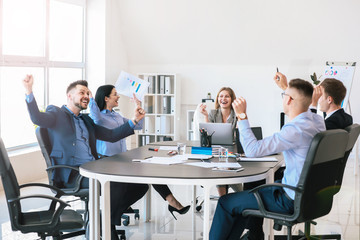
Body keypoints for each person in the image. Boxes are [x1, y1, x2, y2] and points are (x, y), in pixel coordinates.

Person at [23, 75, 149, 240]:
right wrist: (28, 91)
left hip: (92, 168)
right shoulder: (56, 113)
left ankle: (106, 220)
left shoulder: (86, 120)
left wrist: (134, 121)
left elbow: (111, 135)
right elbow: (37, 118)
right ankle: (108, 226)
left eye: (88, 93)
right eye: (82, 92)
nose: (87, 96)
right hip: (72, 174)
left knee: (139, 185)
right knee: (115, 182)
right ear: (70, 96)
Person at [209, 75, 326, 240]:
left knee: (226, 203)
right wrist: (303, 98)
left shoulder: (294, 130)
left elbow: (252, 150)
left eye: (284, 96)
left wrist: (242, 115)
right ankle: (255, 235)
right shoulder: (318, 122)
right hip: (309, 195)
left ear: (289, 100)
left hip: (290, 199)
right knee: (246, 196)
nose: (283, 98)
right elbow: (309, 110)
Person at [88, 85, 190, 218]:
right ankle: (114, 213)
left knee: (147, 177)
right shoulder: (98, 117)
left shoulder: (116, 115)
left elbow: (137, 125)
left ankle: (116, 211)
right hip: (107, 162)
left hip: (121, 160)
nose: (118, 96)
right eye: (115, 94)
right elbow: (94, 114)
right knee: (141, 184)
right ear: (106, 98)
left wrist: (138, 108)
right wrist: (91, 98)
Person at [199, 87, 241, 196]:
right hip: (216, 150)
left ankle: (232, 196)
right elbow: (207, 133)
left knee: (225, 170)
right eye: (221, 96)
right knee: (221, 168)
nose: (223, 98)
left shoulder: (236, 114)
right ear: (218, 99)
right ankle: (223, 198)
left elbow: (239, 135)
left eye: (227, 96)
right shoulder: (213, 113)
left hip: (232, 150)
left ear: (232, 99)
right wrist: (206, 116)